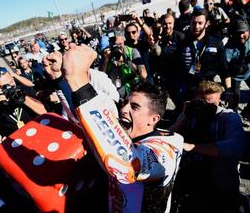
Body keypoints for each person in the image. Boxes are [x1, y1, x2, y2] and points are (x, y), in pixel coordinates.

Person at [61, 44, 184, 212]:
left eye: (135, 107)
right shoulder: (124, 130)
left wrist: (77, 79)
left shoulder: (166, 148)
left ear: (153, 119)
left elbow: (126, 162)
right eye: (125, 103)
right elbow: (89, 116)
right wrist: (64, 77)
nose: (124, 109)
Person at [170, 81, 247, 212]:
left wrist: (192, 147)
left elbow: (237, 146)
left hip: (219, 176)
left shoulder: (228, 117)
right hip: (191, 173)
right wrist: (184, 117)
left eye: (210, 103)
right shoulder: (191, 113)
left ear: (220, 101)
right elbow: (167, 135)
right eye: (200, 101)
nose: (204, 106)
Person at [177, 9, 226, 102]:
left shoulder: (216, 43)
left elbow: (224, 69)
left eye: (200, 23)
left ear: (207, 23)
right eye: (194, 23)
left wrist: (229, 91)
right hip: (189, 90)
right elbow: (177, 67)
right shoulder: (182, 43)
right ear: (190, 23)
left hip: (209, 89)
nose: (196, 26)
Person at [0, 66, 46, 139]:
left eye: (11, 82)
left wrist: (22, 97)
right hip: (18, 141)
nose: (10, 86)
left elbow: (43, 111)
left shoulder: (22, 88)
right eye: (5, 86)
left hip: (38, 131)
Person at [101, 30, 147, 98]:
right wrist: (106, 60)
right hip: (118, 97)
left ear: (123, 39)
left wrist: (126, 60)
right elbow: (102, 77)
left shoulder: (132, 51)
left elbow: (144, 74)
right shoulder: (107, 56)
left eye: (120, 44)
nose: (118, 48)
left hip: (135, 92)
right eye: (115, 45)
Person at [223, 19, 250, 118]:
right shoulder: (228, 48)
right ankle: (234, 118)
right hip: (235, 77)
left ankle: (247, 112)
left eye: (243, 32)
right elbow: (225, 70)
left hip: (248, 72)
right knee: (234, 99)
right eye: (238, 33)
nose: (241, 36)